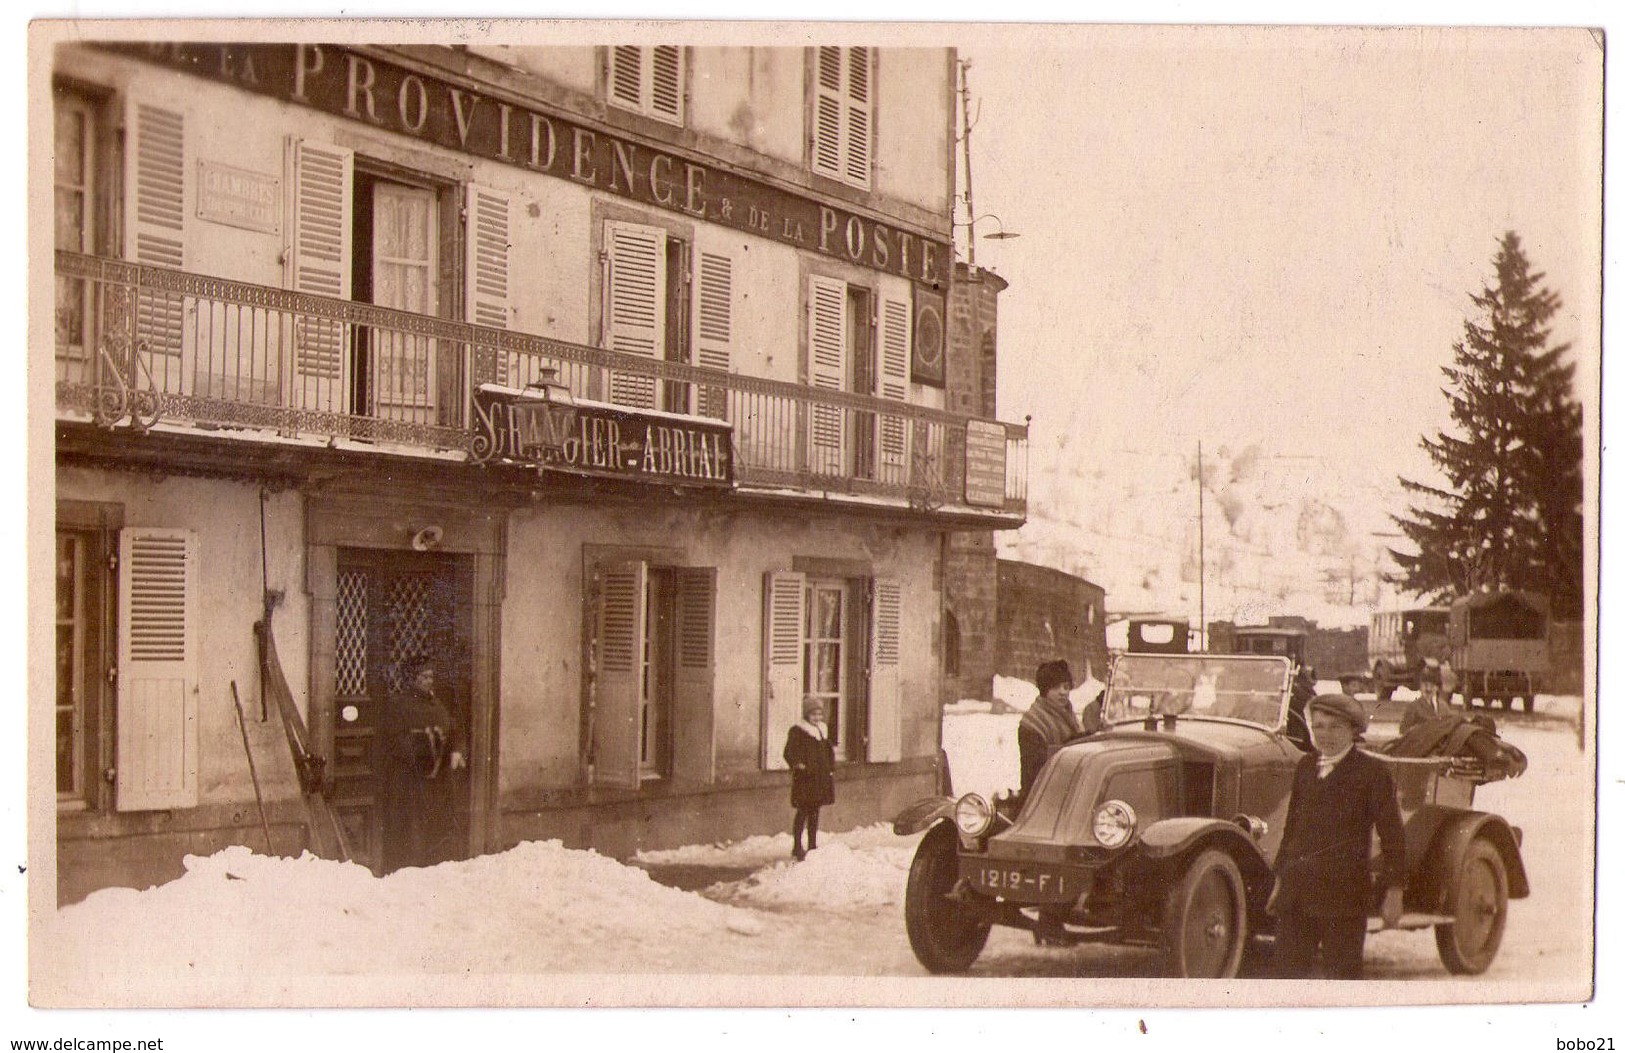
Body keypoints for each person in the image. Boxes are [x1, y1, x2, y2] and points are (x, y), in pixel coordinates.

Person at [1269, 693, 1406, 979]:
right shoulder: (1306, 767)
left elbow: (1393, 837)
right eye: (1318, 726)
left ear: (1353, 731)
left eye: (1335, 727)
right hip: (1297, 895)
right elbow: (1292, 830)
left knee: (1342, 981)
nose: (1325, 735)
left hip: (1342, 900)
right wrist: (1280, 880)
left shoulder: (1372, 773)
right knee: (1287, 980)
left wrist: (1394, 892)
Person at [378, 654, 465, 872]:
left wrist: (455, 750)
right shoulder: (399, 705)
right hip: (411, 782)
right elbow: (394, 741)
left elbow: (454, 730)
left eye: (430, 677)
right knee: (411, 830)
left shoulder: (437, 704)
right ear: (412, 679)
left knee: (437, 827)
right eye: (424, 677)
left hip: (437, 782)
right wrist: (423, 752)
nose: (429, 681)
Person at [1018, 659, 1083, 799]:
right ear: (1044, 690)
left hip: (1068, 789)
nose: (1063, 692)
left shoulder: (1069, 715)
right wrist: (1070, 746)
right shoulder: (1033, 723)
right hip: (1042, 794)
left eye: (1066, 687)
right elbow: (1036, 766)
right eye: (1056, 687)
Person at [783, 697, 835, 861]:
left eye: (819, 714)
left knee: (815, 812)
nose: (817, 717)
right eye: (813, 714)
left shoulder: (821, 731)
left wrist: (830, 767)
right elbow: (789, 752)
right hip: (805, 779)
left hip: (819, 779)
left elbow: (828, 752)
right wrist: (798, 764)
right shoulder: (798, 731)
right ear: (806, 715)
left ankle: (812, 844)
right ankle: (797, 845)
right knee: (803, 811)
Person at [1400, 660, 1448, 734]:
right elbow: (1403, 731)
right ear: (1420, 686)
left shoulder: (1444, 707)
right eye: (1425, 685)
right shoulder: (1413, 707)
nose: (1428, 689)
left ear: (1437, 688)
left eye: (1432, 686)